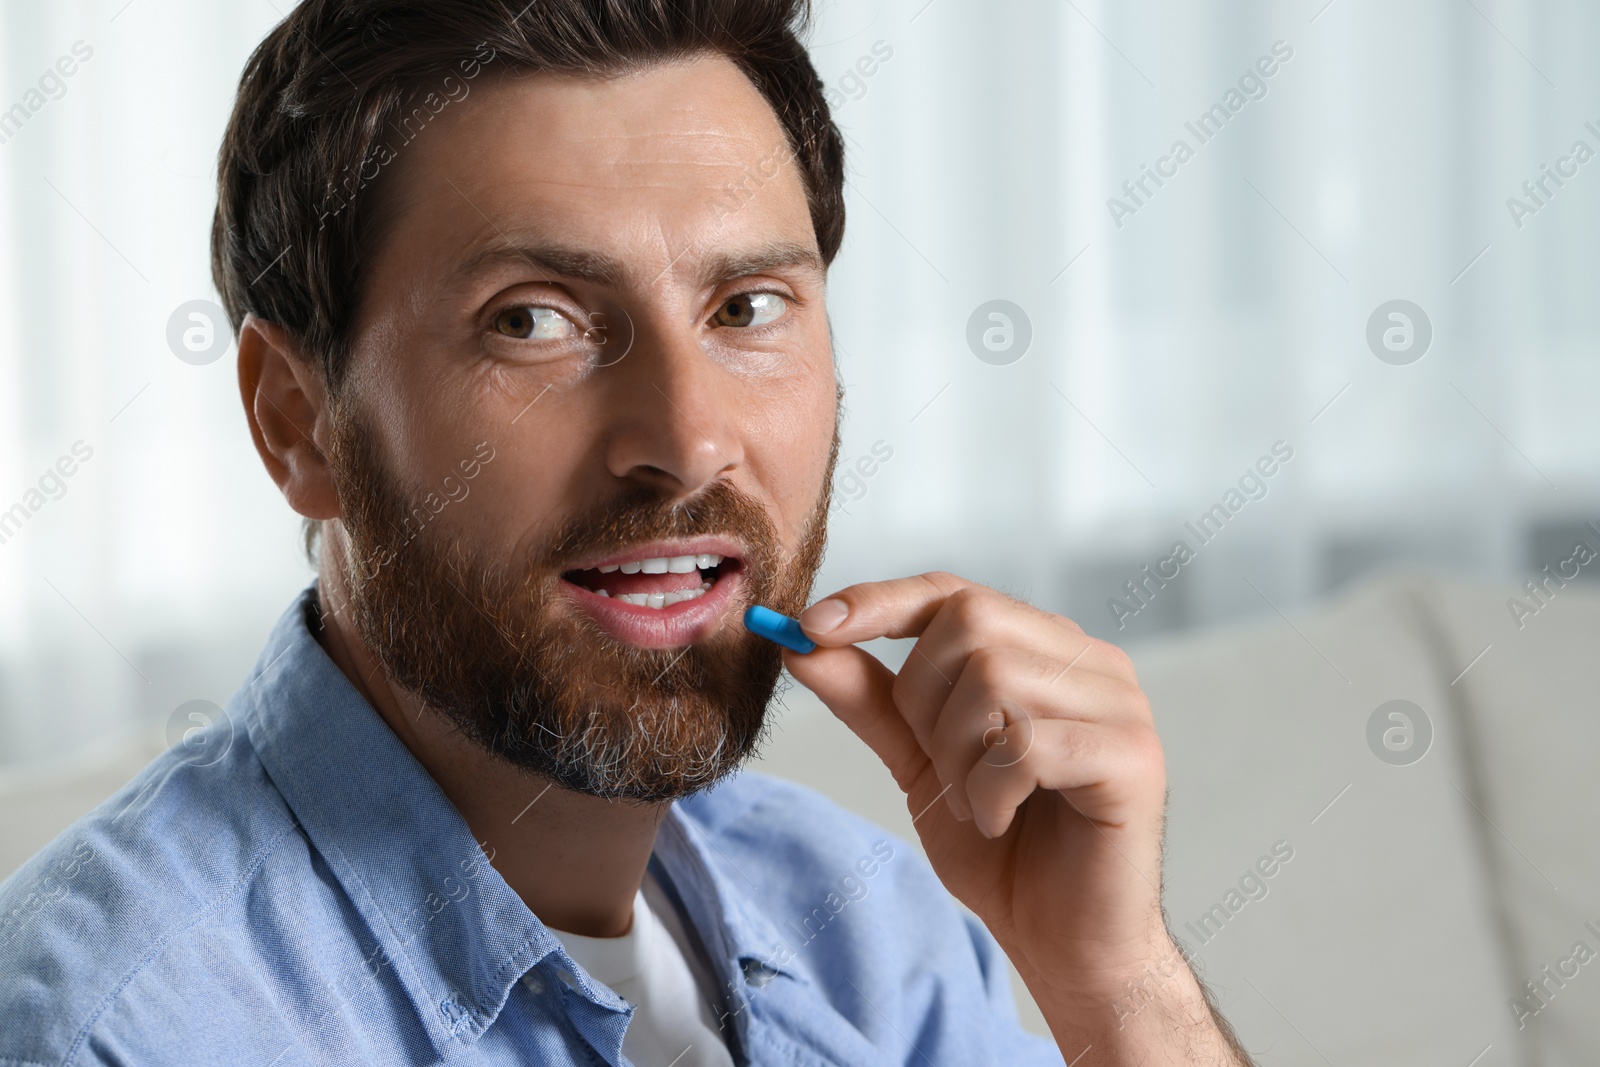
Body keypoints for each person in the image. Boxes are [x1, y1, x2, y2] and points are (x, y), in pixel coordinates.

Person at [0, 1, 1252, 1063]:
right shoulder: (126, 1021)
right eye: (532, 321)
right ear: (300, 424)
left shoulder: (882, 933)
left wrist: (1117, 985)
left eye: (747, 305)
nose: (689, 436)